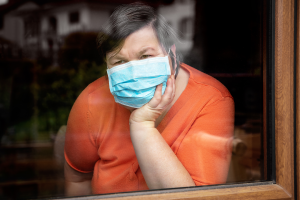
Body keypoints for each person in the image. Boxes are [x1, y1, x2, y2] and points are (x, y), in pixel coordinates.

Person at [64, 3, 234, 196]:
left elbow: (194, 197)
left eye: (145, 56)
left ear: (171, 53)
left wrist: (142, 124)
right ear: (107, 65)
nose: (134, 72)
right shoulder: (92, 101)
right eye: (120, 61)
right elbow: (78, 178)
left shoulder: (211, 99)